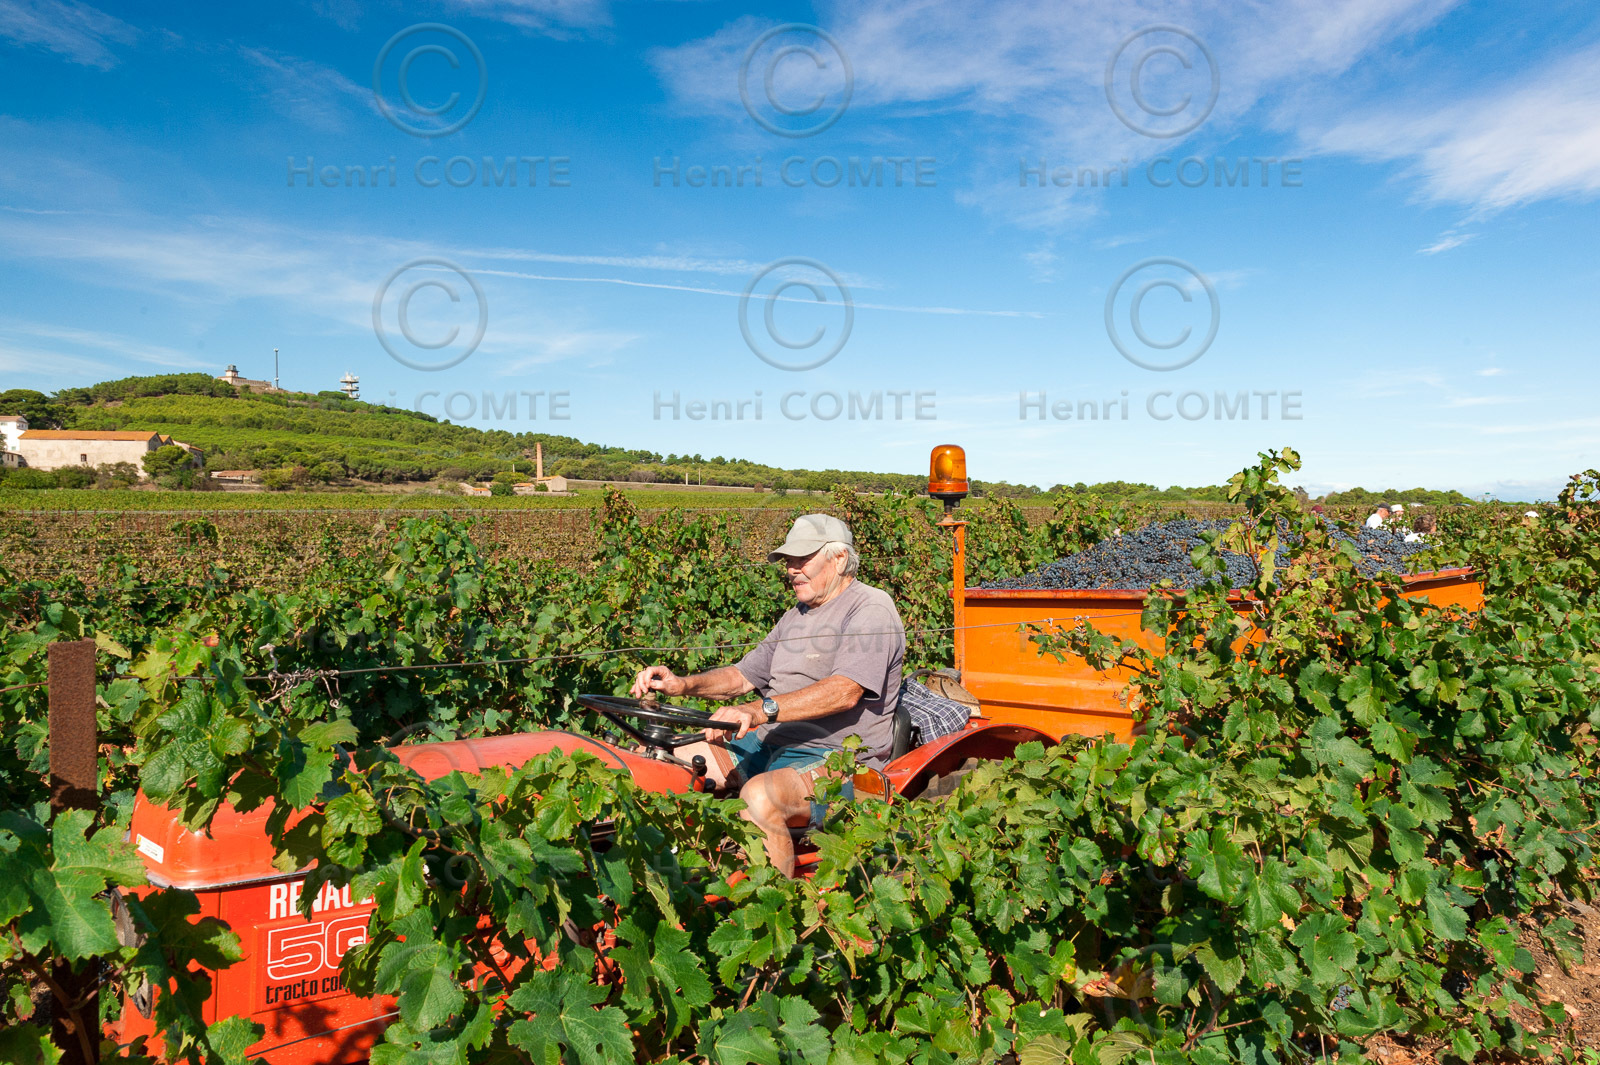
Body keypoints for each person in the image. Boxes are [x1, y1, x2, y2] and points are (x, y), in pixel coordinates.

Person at [629, 513, 905, 876]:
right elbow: (743, 675)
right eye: (788, 561)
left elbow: (845, 691)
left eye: (802, 559)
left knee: (760, 799)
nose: (791, 569)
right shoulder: (797, 615)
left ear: (839, 559)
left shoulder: (870, 608)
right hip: (769, 742)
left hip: (838, 759)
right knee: (656, 763)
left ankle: (773, 910)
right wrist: (683, 684)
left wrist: (760, 711)